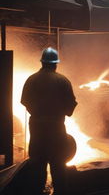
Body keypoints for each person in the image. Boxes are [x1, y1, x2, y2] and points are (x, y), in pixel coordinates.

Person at [21, 47, 77, 195]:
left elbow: (25, 101)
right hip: (57, 129)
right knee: (58, 165)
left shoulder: (31, 79)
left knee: (37, 165)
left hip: (37, 128)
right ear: (55, 64)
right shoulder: (63, 81)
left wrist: (37, 112)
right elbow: (70, 109)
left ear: (42, 62)